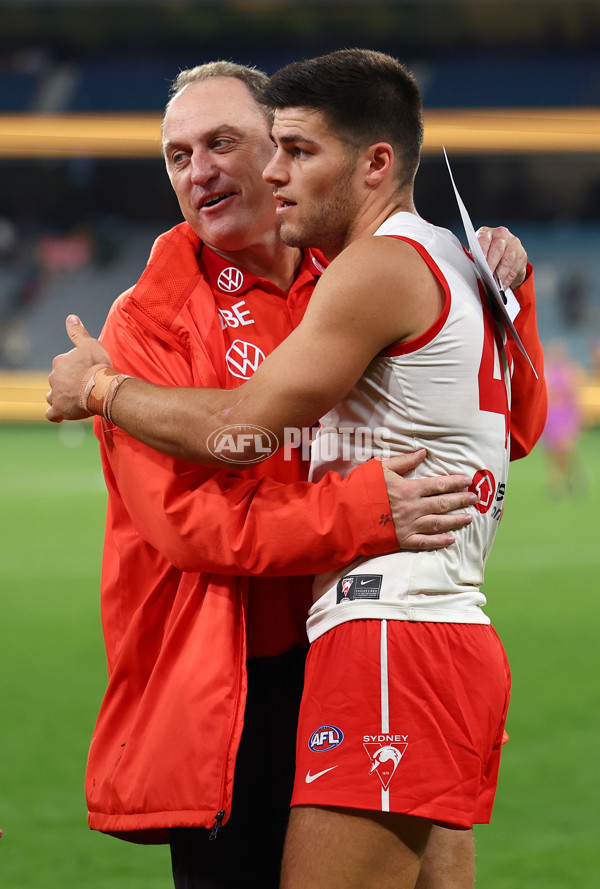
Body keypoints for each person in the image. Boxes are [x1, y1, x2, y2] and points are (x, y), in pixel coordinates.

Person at [46, 58, 546, 889]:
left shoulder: (351, 267)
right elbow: (190, 525)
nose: (201, 171)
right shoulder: (149, 318)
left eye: (226, 143)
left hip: (366, 641)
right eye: (176, 156)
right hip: (232, 686)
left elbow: (509, 431)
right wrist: (360, 513)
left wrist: (507, 296)